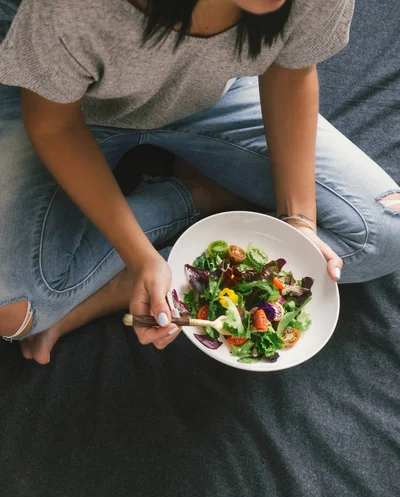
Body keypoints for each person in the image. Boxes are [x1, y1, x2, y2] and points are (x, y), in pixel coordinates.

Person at [0, 0, 399, 365]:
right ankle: (196, 196)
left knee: (385, 230)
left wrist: (299, 223)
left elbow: (291, 71)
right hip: (72, 113)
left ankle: (134, 287)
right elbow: (54, 126)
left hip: (215, 98)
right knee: (13, 313)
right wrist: (139, 255)